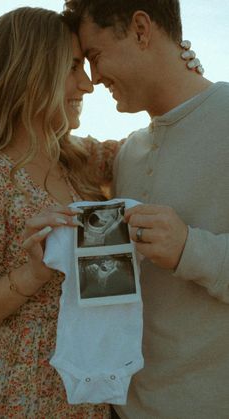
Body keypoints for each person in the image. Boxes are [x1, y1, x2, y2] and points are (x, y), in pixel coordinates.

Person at [64, 1, 229, 418]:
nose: (94, 78)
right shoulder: (129, 153)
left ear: (140, 29)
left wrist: (190, 249)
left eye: (95, 57)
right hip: (123, 408)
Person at [0, 6, 122, 417]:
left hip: (88, 397)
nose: (87, 84)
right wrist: (30, 274)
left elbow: (164, 135)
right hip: (20, 399)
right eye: (72, 67)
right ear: (31, 71)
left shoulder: (82, 162)